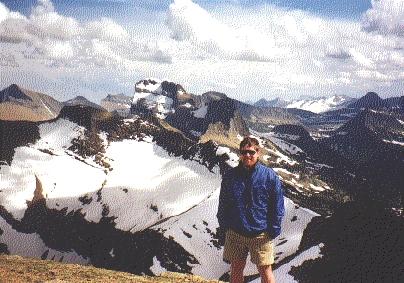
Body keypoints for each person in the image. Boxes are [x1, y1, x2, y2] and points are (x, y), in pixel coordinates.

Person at [217, 136, 285, 283]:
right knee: (235, 268)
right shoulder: (230, 176)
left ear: (258, 153)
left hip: (260, 234)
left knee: (265, 271)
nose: (247, 155)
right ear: (240, 154)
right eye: (244, 152)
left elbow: (277, 206)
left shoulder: (269, 176)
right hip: (235, 232)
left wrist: (272, 230)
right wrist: (225, 226)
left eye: (251, 152)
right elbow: (223, 203)